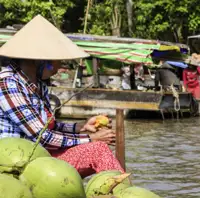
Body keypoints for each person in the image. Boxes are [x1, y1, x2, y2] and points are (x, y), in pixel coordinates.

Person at [0, 15, 122, 177]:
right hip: (19, 163)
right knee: (97, 149)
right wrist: (91, 138)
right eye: (57, 62)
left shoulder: (37, 85)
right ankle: (122, 193)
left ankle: (118, 193)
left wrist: (80, 127)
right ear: (40, 61)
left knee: (98, 149)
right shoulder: (8, 84)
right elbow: (41, 136)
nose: (58, 68)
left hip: (41, 157)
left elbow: (48, 125)